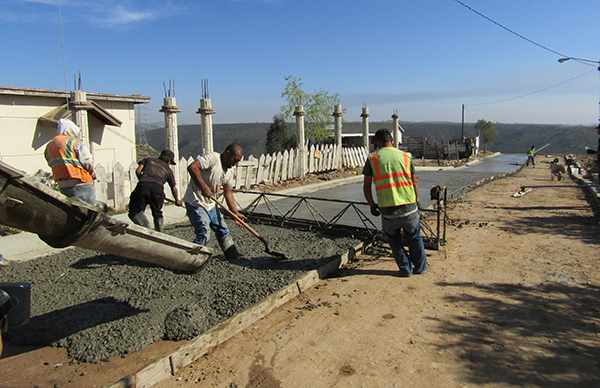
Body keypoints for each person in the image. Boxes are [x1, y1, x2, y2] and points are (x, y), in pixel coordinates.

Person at [363, 128, 428, 277]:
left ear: (378, 142)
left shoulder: (373, 158)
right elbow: (414, 183)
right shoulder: (406, 156)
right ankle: (421, 267)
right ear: (392, 140)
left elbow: (367, 187)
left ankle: (406, 269)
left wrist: (372, 205)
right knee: (415, 237)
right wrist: (416, 202)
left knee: (394, 240)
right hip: (409, 206)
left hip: (388, 211)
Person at [184, 143, 246, 259]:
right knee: (204, 232)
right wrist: (203, 187)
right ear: (227, 153)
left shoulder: (229, 172)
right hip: (196, 201)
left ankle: (232, 256)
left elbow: (228, 193)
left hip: (210, 204)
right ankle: (189, 260)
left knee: (222, 229)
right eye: (235, 160)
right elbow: (192, 167)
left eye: (238, 162)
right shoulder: (213, 158)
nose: (236, 164)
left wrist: (235, 214)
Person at [44, 118, 96, 204]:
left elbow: (50, 162)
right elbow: (87, 160)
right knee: (89, 212)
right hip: (81, 183)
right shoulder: (74, 142)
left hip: (62, 185)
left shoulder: (50, 145)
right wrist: (93, 172)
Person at [128, 149, 182, 232]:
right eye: (170, 163)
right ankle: (160, 233)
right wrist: (177, 200)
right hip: (157, 189)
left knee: (135, 210)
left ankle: (146, 227)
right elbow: (173, 187)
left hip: (142, 186)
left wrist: (142, 181)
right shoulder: (168, 170)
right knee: (157, 213)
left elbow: (138, 171)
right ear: (169, 160)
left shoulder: (148, 160)